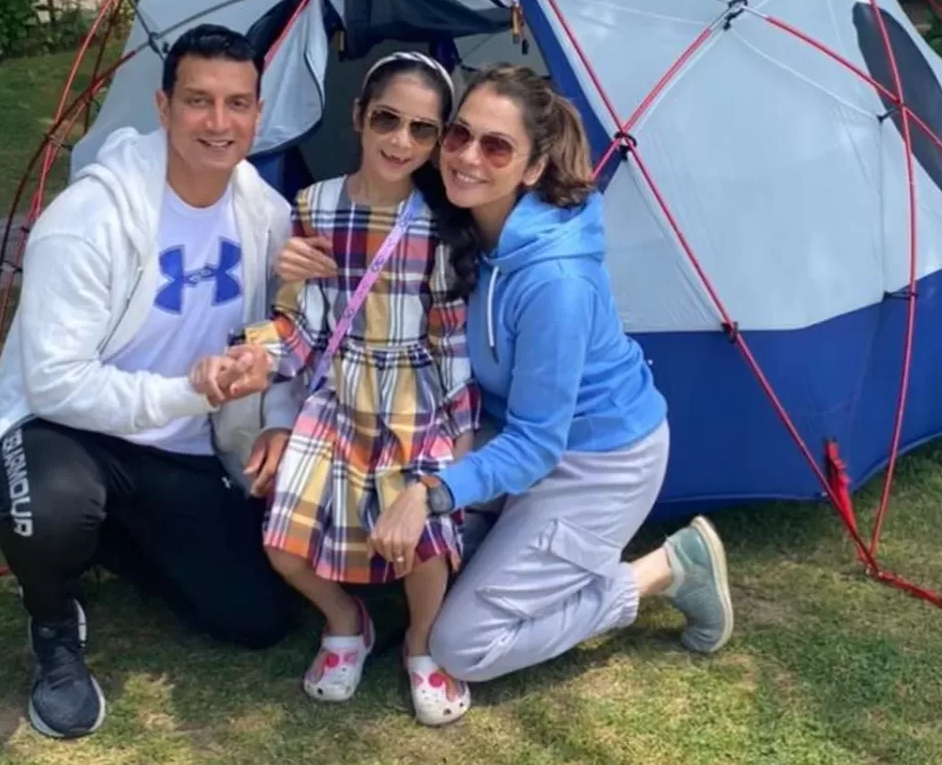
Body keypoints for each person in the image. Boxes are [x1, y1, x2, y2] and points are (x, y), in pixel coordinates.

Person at [277, 63, 733, 693]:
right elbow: (376, 293)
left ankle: (661, 570)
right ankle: (512, 542)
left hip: (595, 460)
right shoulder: (459, 223)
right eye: (459, 136)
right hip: (505, 433)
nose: (466, 157)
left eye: (496, 147)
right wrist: (299, 266)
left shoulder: (555, 283)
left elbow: (541, 443)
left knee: (461, 643)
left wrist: (431, 492)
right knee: (408, 547)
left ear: (533, 168)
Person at [0, 24, 303, 741]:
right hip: (68, 432)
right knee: (49, 511)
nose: (219, 123)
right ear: (162, 107)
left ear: (256, 112)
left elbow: (288, 336)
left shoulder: (264, 213)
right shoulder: (89, 219)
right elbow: (57, 383)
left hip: (180, 449)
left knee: (259, 619)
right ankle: (54, 624)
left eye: (237, 104)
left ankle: (108, 543)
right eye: (198, 101)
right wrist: (187, 393)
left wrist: (275, 412)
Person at [239, 52, 480, 726]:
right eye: (387, 119)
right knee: (282, 543)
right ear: (359, 117)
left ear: (437, 141)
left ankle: (422, 643)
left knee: (426, 540)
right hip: (338, 395)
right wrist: (251, 355)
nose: (401, 142)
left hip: (413, 397)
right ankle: (346, 621)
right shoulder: (314, 206)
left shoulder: (439, 222)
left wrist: (459, 437)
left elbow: (448, 338)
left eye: (422, 130)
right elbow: (301, 326)